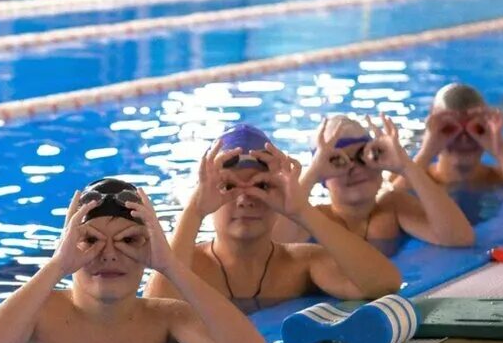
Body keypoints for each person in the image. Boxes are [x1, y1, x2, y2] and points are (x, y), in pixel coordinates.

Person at [0, 178, 267, 343]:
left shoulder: (166, 319)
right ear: (68, 245)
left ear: (150, 247)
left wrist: (170, 266)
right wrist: (56, 266)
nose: (109, 255)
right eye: (91, 240)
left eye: (129, 241)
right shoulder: (39, 313)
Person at [144, 124, 403, 309]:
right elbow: (153, 310)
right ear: (206, 196)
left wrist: (302, 211)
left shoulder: (300, 264)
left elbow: (385, 285)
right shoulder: (190, 267)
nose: (245, 199)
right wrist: (194, 211)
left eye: (262, 186)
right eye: (229, 187)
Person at [275, 115, 475, 252]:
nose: (355, 169)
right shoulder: (313, 219)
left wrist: (406, 166)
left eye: (363, 156)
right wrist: (312, 174)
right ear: (322, 177)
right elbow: (273, 247)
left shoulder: (394, 207)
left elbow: (460, 238)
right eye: (337, 161)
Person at [411, 82, 503, 194]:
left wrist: (500, 150)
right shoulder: (418, 179)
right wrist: (426, 152)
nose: (464, 140)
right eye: (449, 129)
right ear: (432, 134)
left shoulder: (502, 179)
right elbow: (398, 198)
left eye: (477, 129)